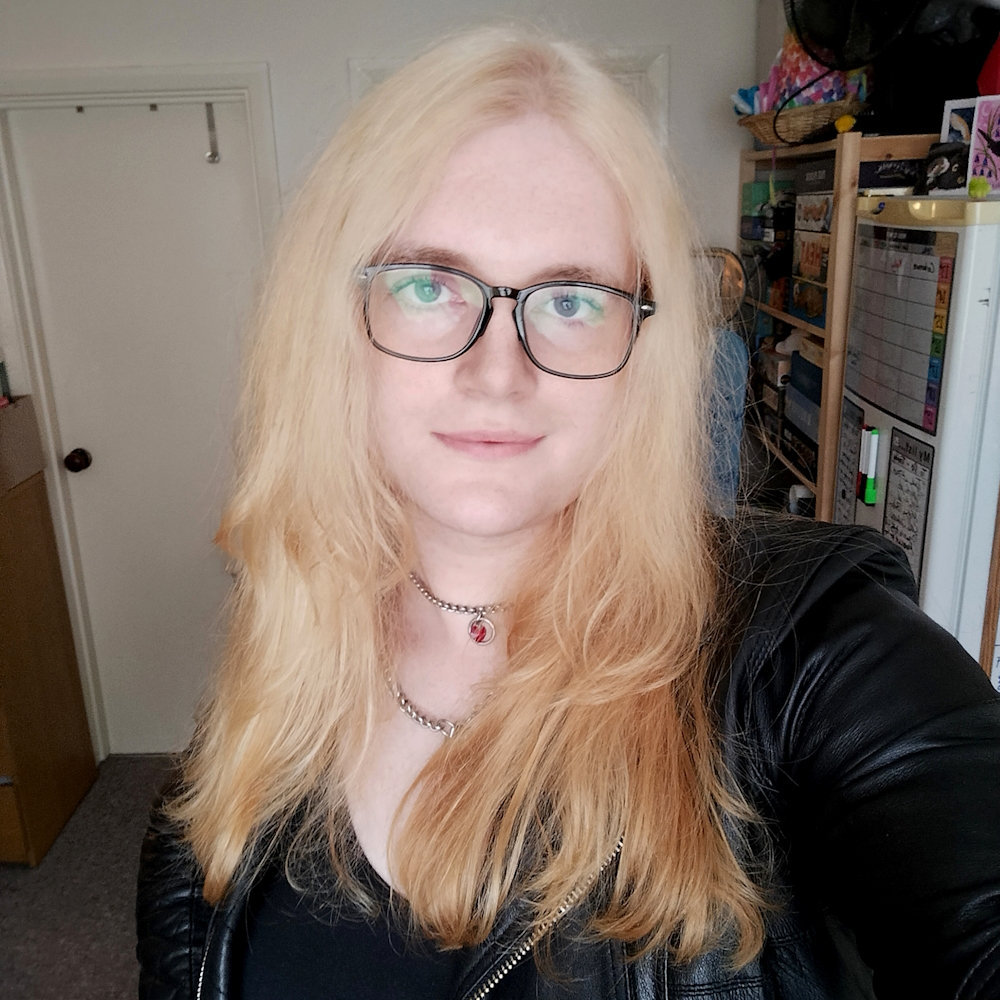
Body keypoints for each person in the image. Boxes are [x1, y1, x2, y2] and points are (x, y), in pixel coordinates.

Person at [136, 27, 1000, 1000]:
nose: (497, 373)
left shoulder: (805, 652)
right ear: (334, 325)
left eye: (572, 300)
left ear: (645, 346)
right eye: (428, 285)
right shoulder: (264, 696)